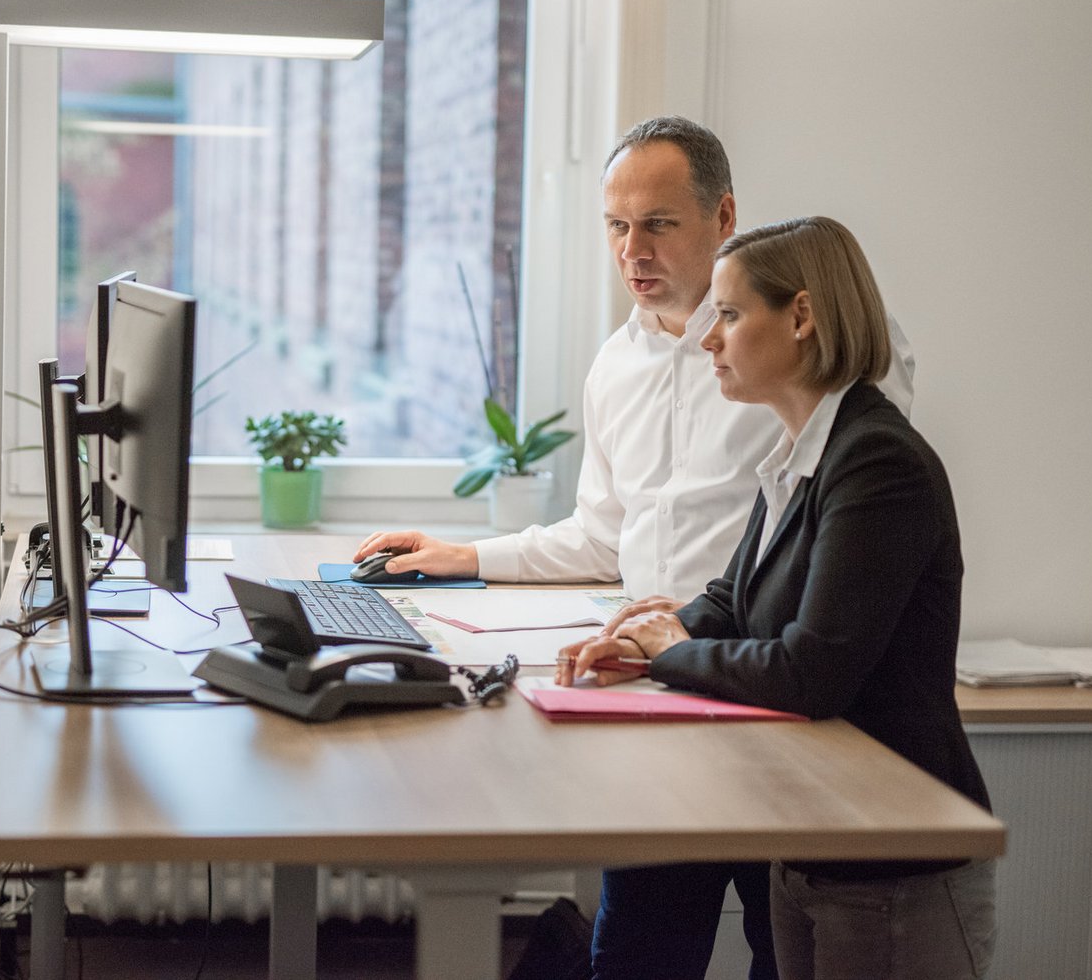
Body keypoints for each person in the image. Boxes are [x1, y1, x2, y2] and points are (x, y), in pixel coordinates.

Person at [356, 117, 913, 980]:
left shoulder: (808, 356)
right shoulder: (616, 363)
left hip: (781, 694)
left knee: (785, 949)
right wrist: (468, 557)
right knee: (639, 948)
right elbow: (603, 535)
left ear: (723, 215)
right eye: (617, 225)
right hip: (661, 685)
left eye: (658, 222)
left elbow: (843, 529)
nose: (632, 249)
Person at [559, 217, 996, 980]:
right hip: (815, 839)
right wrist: (642, 639)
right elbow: (732, 598)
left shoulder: (876, 460)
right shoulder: (800, 450)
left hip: (888, 855)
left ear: (800, 317)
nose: (708, 341)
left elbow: (810, 670)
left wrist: (671, 653)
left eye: (728, 316)